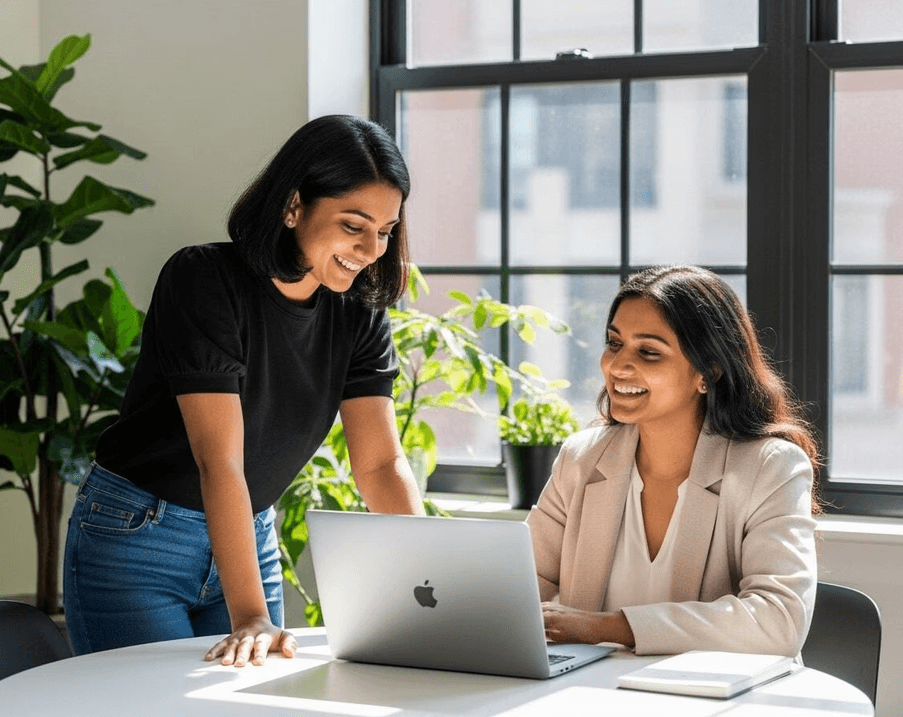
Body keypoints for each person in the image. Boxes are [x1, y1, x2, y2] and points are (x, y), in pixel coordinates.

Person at [63, 115, 424, 666]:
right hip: (140, 538)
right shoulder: (204, 279)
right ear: (294, 206)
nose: (372, 248)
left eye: (385, 230)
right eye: (354, 225)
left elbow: (378, 464)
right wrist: (251, 614)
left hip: (249, 536)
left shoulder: (358, 311)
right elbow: (221, 461)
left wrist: (435, 581)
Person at [528, 265, 819, 657]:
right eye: (614, 343)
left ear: (708, 371)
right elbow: (521, 583)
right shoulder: (582, 458)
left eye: (648, 352)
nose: (617, 366)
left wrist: (611, 627)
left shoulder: (771, 467)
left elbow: (779, 620)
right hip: (594, 696)